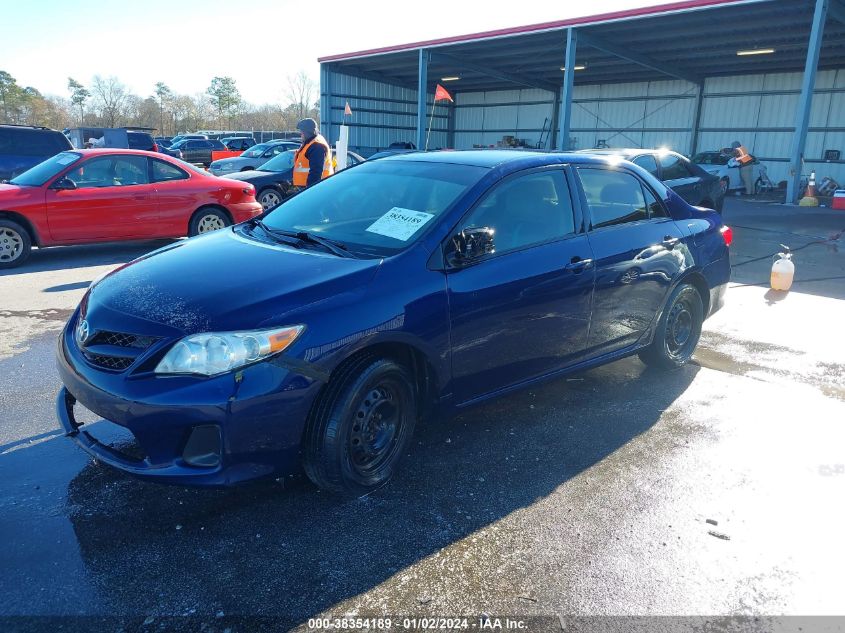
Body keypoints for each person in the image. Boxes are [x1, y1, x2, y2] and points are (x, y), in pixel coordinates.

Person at [293, 118, 333, 189]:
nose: (301, 135)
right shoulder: (311, 143)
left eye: (302, 132)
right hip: (312, 187)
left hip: (315, 188)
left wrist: (310, 190)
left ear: (307, 133)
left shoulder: (316, 146)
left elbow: (316, 172)